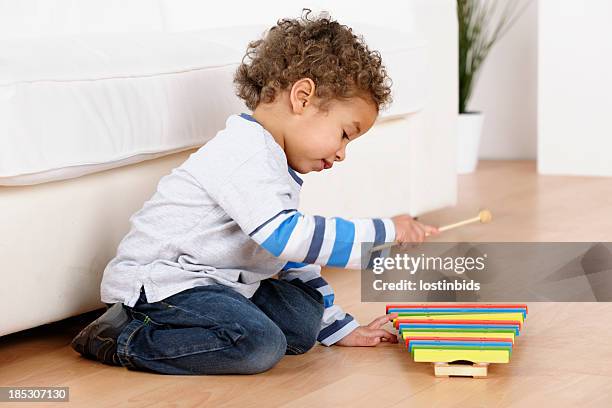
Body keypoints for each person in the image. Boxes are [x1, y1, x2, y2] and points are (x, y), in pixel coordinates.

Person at [71, 10, 439, 375]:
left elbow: (292, 257)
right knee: (259, 344)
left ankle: (229, 323)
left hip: (221, 283)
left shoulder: (278, 167)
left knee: (302, 319)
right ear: (302, 97)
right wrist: (383, 234)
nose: (342, 153)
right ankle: (123, 337)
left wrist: (341, 328)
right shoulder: (244, 152)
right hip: (165, 285)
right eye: (344, 133)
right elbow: (286, 237)